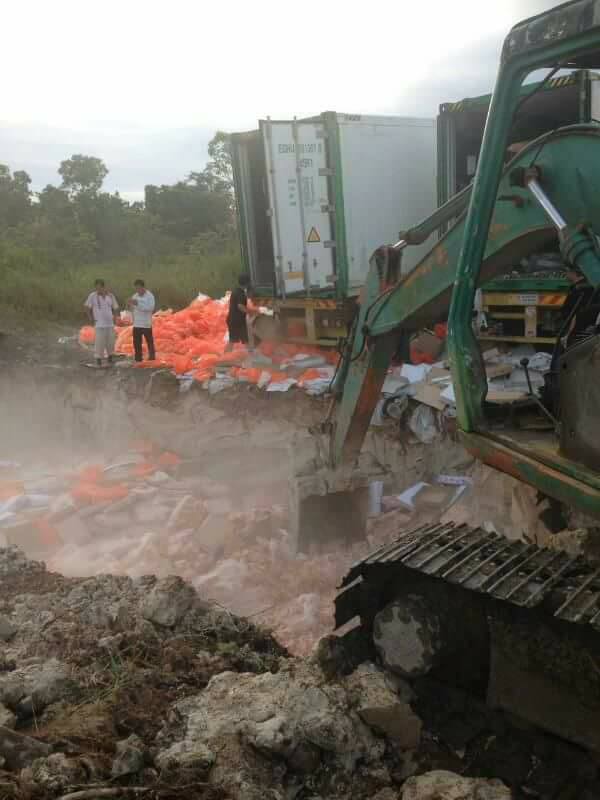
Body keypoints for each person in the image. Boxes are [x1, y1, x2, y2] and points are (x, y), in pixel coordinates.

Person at [84, 279, 119, 367]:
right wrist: (90, 317)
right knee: (99, 342)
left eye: (100, 287)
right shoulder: (92, 296)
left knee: (110, 342)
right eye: (97, 287)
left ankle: (110, 358)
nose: (98, 289)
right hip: (99, 323)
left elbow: (115, 307)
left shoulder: (110, 296)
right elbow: (86, 306)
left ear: (103, 287)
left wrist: (115, 317)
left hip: (110, 323)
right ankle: (98, 360)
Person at [128, 279, 156, 362]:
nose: (138, 290)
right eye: (136, 288)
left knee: (149, 342)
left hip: (146, 323)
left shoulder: (150, 296)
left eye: (139, 288)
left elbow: (150, 308)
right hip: (137, 323)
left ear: (143, 287)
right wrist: (130, 305)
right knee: (136, 343)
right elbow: (132, 309)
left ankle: (151, 358)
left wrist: (138, 304)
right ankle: (138, 358)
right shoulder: (135, 296)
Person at [226, 274, 255, 351]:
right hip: (237, 321)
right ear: (247, 283)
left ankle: (225, 357)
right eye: (249, 282)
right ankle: (252, 357)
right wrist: (250, 312)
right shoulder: (241, 293)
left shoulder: (236, 291)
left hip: (233, 320)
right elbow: (240, 306)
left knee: (235, 340)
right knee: (241, 340)